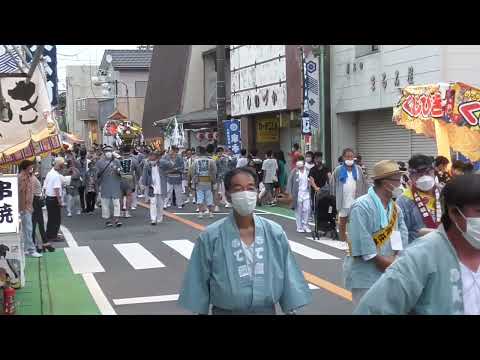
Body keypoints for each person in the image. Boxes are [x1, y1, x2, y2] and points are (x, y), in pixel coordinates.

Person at [178, 167, 312, 315]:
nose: (245, 194)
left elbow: (288, 274)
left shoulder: (274, 232)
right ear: (228, 195)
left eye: (250, 188)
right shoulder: (211, 236)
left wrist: (290, 310)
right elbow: (199, 279)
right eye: (238, 189)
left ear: (256, 193)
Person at [355, 174, 480, 315]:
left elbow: (399, 229)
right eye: (479, 211)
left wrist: (397, 250)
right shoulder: (420, 257)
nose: (397, 184)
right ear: (454, 212)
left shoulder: (395, 207)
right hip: (372, 265)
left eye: (398, 180)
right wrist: (377, 257)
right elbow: (373, 309)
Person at [344, 160, 409, 306]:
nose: (401, 184)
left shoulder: (395, 208)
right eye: (398, 180)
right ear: (386, 183)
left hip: (390, 271)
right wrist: (385, 262)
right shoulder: (361, 206)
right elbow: (360, 240)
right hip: (366, 275)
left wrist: (395, 257)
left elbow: (399, 234)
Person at [397, 154, 441, 245]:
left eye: (428, 173)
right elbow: (398, 233)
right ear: (411, 176)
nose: (424, 178)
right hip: (417, 253)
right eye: (419, 174)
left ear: (434, 172)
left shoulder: (445, 193)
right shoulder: (403, 201)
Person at [331, 148, 369, 242]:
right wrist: (334, 196)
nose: (350, 158)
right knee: (342, 222)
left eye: (351, 156)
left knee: (355, 223)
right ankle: (342, 241)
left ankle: (354, 242)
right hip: (343, 200)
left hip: (356, 200)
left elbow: (364, 183)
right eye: (347, 156)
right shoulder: (338, 170)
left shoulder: (359, 169)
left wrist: (365, 196)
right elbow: (332, 183)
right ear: (343, 158)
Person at [19, 160, 42, 258]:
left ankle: (27, 249)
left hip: (27, 206)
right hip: (24, 207)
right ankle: (31, 249)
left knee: (27, 229)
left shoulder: (28, 177)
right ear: (26, 167)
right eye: (30, 166)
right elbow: (21, 194)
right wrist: (23, 208)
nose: (32, 168)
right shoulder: (21, 178)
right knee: (28, 229)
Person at [96, 146, 123, 228]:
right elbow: (97, 174)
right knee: (105, 204)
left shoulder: (117, 161)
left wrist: (118, 170)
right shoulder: (100, 162)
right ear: (104, 153)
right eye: (106, 151)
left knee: (116, 203)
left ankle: (117, 219)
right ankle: (107, 220)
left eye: (110, 151)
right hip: (105, 185)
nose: (108, 152)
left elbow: (122, 172)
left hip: (115, 185)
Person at [43, 157, 66, 244]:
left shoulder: (50, 173)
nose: (63, 167)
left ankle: (49, 234)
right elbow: (56, 189)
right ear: (60, 165)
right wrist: (60, 201)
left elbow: (45, 186)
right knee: (56, 219)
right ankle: (53, 236)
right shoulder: (56, 175)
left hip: (49, 198)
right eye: (63, 165)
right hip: (54, 199)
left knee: (51, 218)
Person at [287, 156, 312, 233]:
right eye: (297, 161)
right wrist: (290, 193)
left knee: (307, 209)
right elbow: (289, 182)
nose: (299, 162)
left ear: (304, 162)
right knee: (298, 210)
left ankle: (305, 225)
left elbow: (311, 180)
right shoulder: (294, 171)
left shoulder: (308, 171)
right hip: (297, 193)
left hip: (306, 193)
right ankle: (299, 226)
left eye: (300, 161)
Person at [142, 151, 168, 225]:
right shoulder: (147, 165)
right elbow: (144, 175)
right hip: (152, 186)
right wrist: (144, 184)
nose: (151, 159)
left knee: (160, 203)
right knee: (153, 203)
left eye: (153, 158)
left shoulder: (162, 164)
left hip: (161, 186)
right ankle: (153, 219)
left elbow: (171, 165)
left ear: (157, 158)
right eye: (150, 157)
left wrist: (161, 159)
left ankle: (159, 218)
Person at [31, 165, 53, 253]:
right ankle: (39, 244)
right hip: (34, 201)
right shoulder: (31, 179)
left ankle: (43, 243)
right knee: (35, 224)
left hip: (35, 201)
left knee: (38, 224)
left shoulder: (31, 178)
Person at [192, 146, 216, 218]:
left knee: (200, 197)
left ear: (199, 152)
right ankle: (211, 213)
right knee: (209, 197)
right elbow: (214, 171)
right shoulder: (211, 160)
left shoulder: (195, 161)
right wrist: (214, 181)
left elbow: (193, 172)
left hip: (199, 181)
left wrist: (194, 181)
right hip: (208, 181)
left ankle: (200, 212)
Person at [119, 145, 141, 218]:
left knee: (120, 196)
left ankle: (121, 212)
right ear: (130, 151)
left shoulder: (119, 159)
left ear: (122, 151)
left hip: (120, 179)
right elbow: (138, 171)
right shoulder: (134, 160)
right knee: (129, 196)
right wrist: (137, 180)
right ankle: (127, 212)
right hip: (129, 179)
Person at [77, 148, 88, 213]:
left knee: (81, 194)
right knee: (87, 194)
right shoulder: (88, 161)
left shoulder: (77, 161)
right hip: (86, 178)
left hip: (79, 179)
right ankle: (87, 207)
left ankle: (82, 207)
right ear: (86, 154)